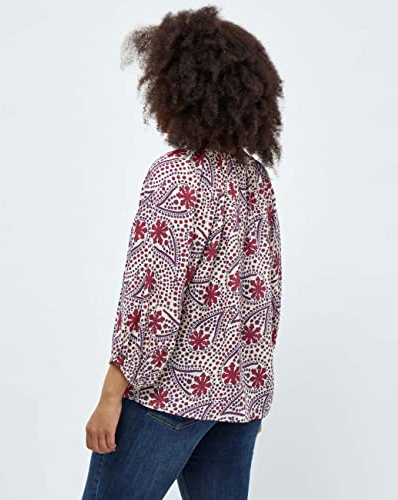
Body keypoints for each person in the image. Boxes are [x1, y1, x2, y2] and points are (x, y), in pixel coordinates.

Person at [82, 5, 283, 500]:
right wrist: (249, 385)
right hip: (237, 399)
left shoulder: (177, 176)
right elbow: (267, 294)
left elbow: (153, 301)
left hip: (167, 399)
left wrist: (111, 395)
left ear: (177, 89)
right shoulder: (254, 179)